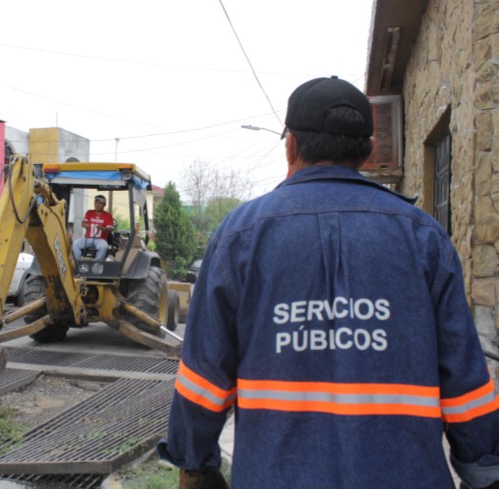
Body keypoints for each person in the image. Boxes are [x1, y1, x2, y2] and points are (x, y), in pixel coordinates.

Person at [158, 76, 499, 488]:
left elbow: (203, 377)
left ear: (291, 146)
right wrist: (483, 469)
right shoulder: (423, 238)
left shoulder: (240, 237)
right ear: (368, 151)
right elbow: (466, 385)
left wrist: (194, 464)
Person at [72, 194, 114, 260]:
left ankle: (97, 262)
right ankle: (79, 261)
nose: (97, 205)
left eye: (100, 203)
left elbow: (110, 229)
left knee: (104, 246)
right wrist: (85, 225)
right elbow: (83, 223)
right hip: (87, 238)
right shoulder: (89, 212)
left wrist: (102, 228)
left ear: (104, 205)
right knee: (75, 244)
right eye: (96, 202)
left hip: (101, 240)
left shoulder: (108, 215)